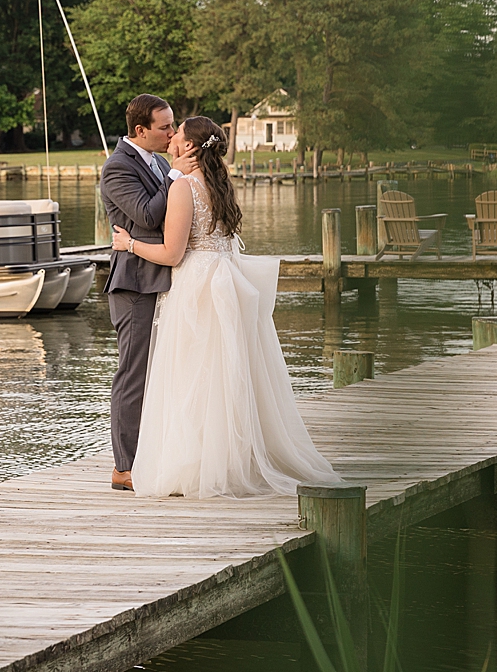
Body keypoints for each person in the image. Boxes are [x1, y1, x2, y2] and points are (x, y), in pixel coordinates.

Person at [111, 116, 340, 498]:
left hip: (196, 285)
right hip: (224, 279)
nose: (171, 138)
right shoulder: (220, 184)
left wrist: (129, 245)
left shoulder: (184, 186)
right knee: (224, 373)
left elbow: (171, 253)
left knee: (193, 376)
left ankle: (197, 464)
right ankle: (228, 459)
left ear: (188, 148)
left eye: (177, 134)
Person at [99, 94, 197, 492]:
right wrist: (175, 175)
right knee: (133, 374)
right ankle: (124, 467)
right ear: (140, 130)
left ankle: (154, 455)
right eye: (165, 127)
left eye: (173, 125)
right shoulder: (117, 168)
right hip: (134, 283)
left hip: (161, 277)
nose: (173, 133)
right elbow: (146, 215)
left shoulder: (156, 160)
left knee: (162, 372)